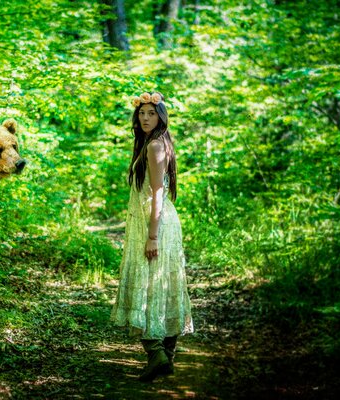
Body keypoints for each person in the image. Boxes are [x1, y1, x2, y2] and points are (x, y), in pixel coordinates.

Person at [111, 91, 193, 382]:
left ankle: (157, 353)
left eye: (151, 113)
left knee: (149, 283)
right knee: (160, 282)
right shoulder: (153, 143)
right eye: (142, 113)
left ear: (161, 116)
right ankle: (165, 357)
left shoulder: (156, 146)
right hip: (151, 221)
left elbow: (158, 192)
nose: (145, 118)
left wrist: (153, 236)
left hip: (154, 223)